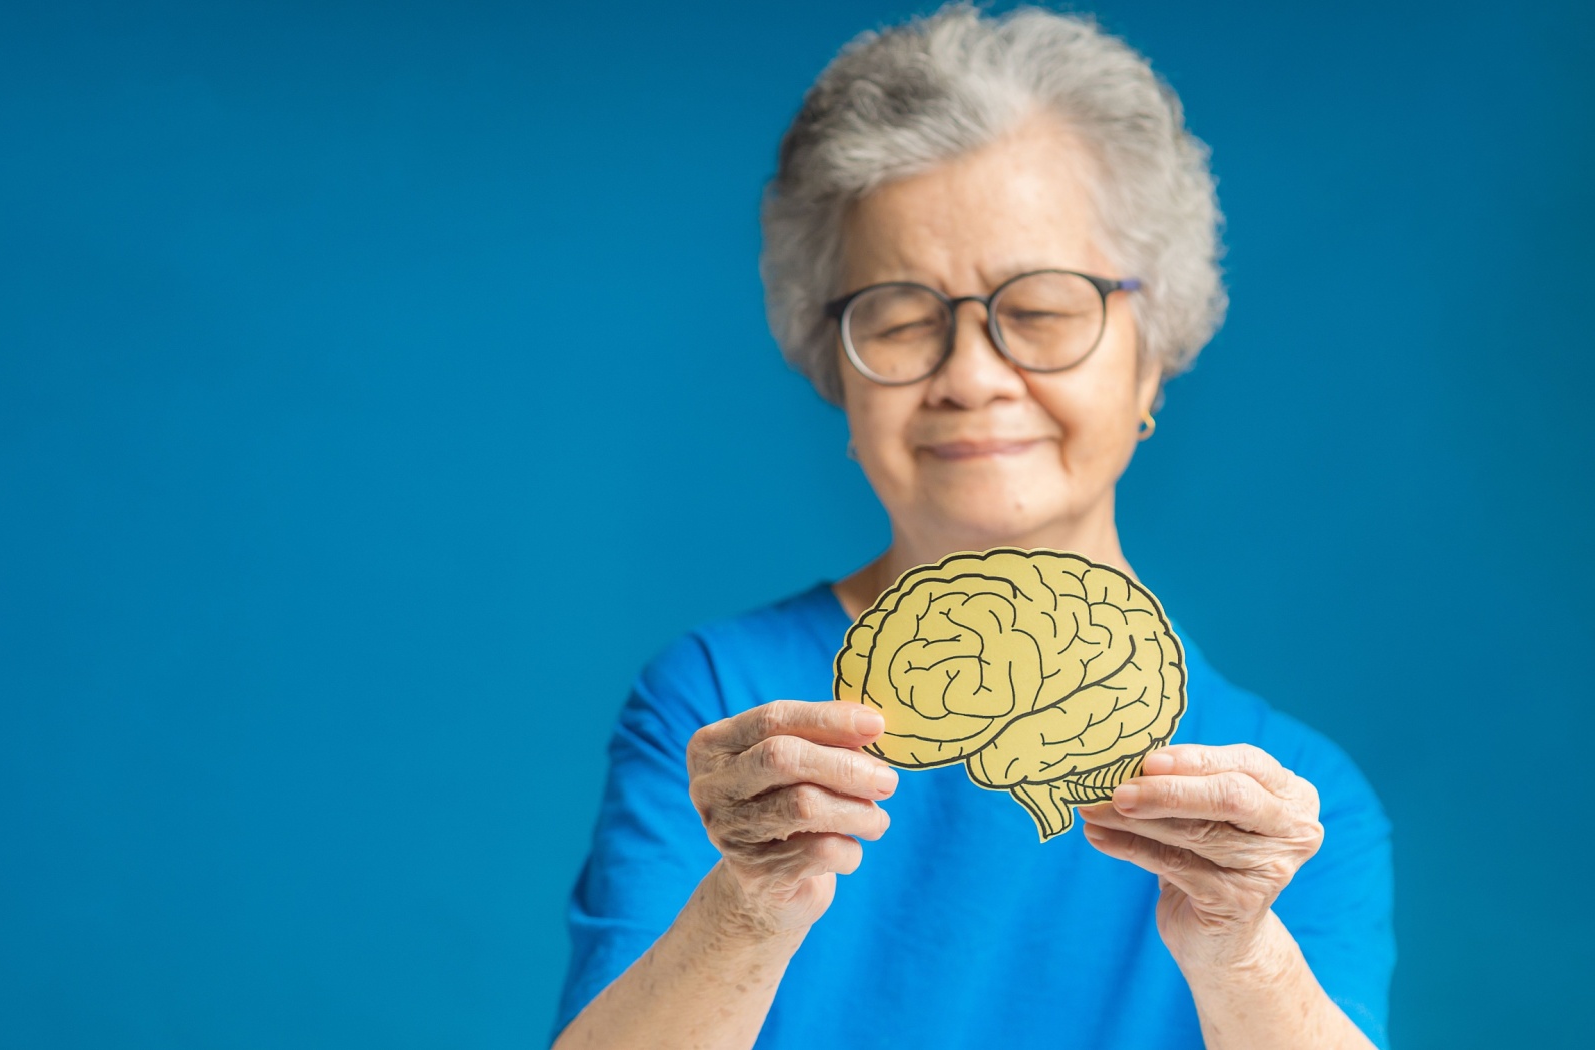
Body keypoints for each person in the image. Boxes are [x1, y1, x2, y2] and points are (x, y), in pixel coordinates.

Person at [550, 6, 1394, 1049]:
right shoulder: (724, 711)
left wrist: (1240, 946)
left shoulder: (1289, 806)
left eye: (1039, 309)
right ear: (838, 380)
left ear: (1152, 354)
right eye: (900, 319)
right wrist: (749, 904)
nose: (972, 376)